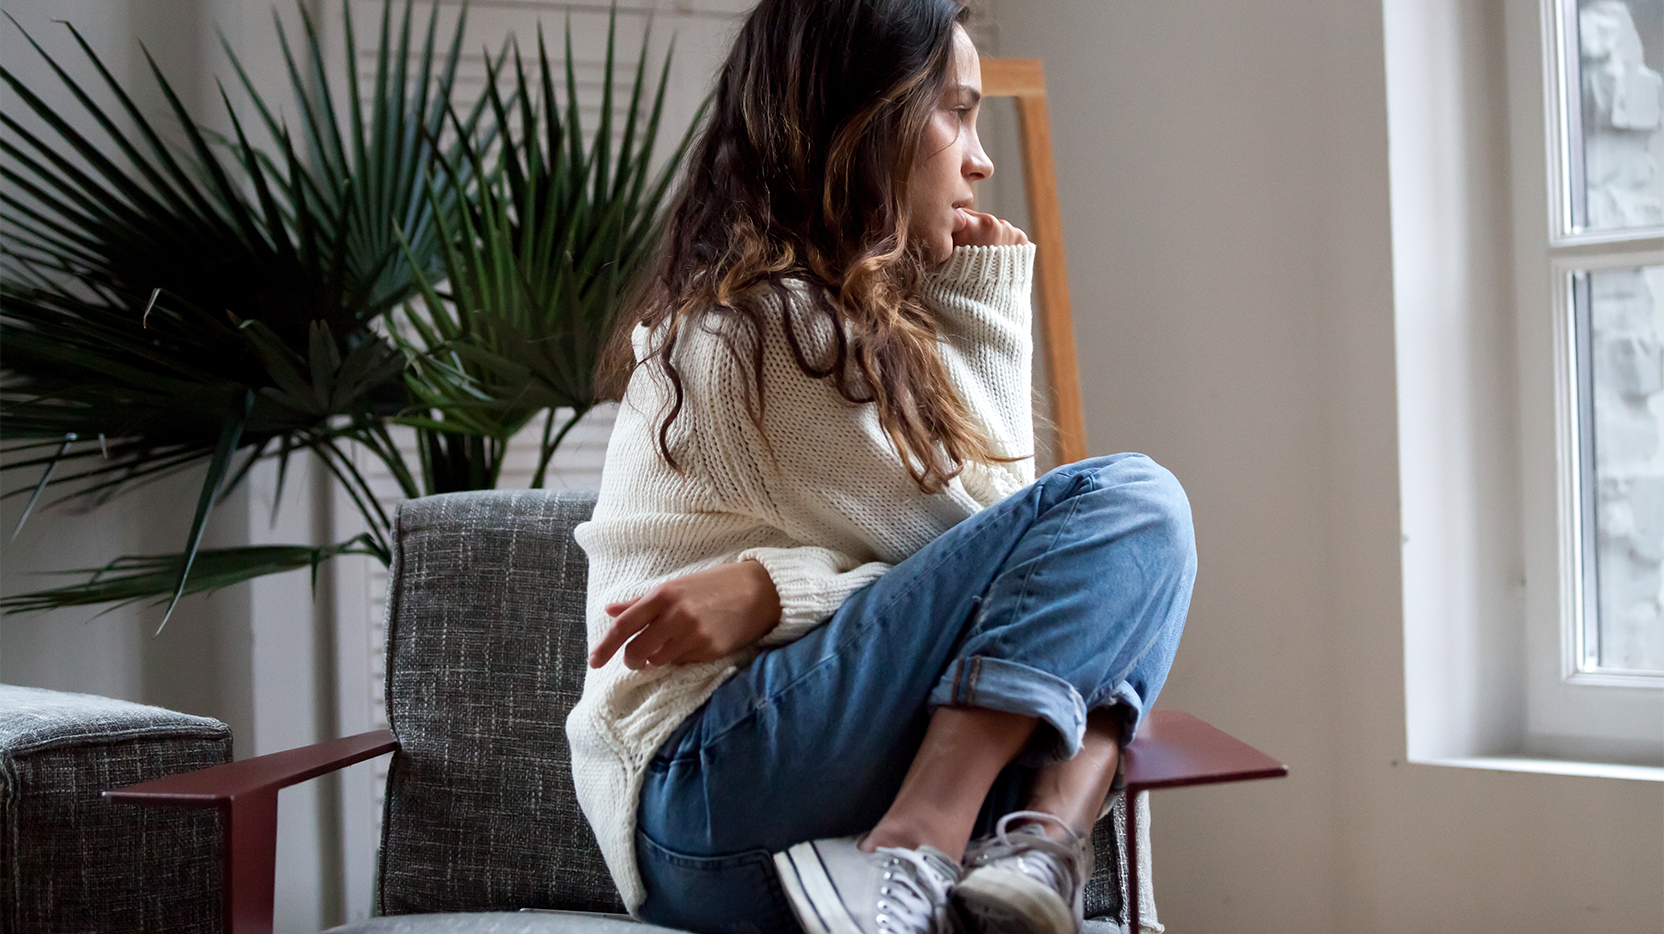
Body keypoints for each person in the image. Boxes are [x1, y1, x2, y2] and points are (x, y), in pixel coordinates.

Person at [568, 2, 1196, 933]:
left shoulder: (847, 325)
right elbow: (1007, 544)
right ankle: (922, 843)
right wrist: (987, 306)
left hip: (773, 815)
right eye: (956, 111)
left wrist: (774, 590)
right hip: (709, 790)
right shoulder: (761, 329)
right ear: (863, 117)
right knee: (1137, 508)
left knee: (1104, 619)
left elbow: (1016, 586)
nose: (981, 161)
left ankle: (1030, 867)